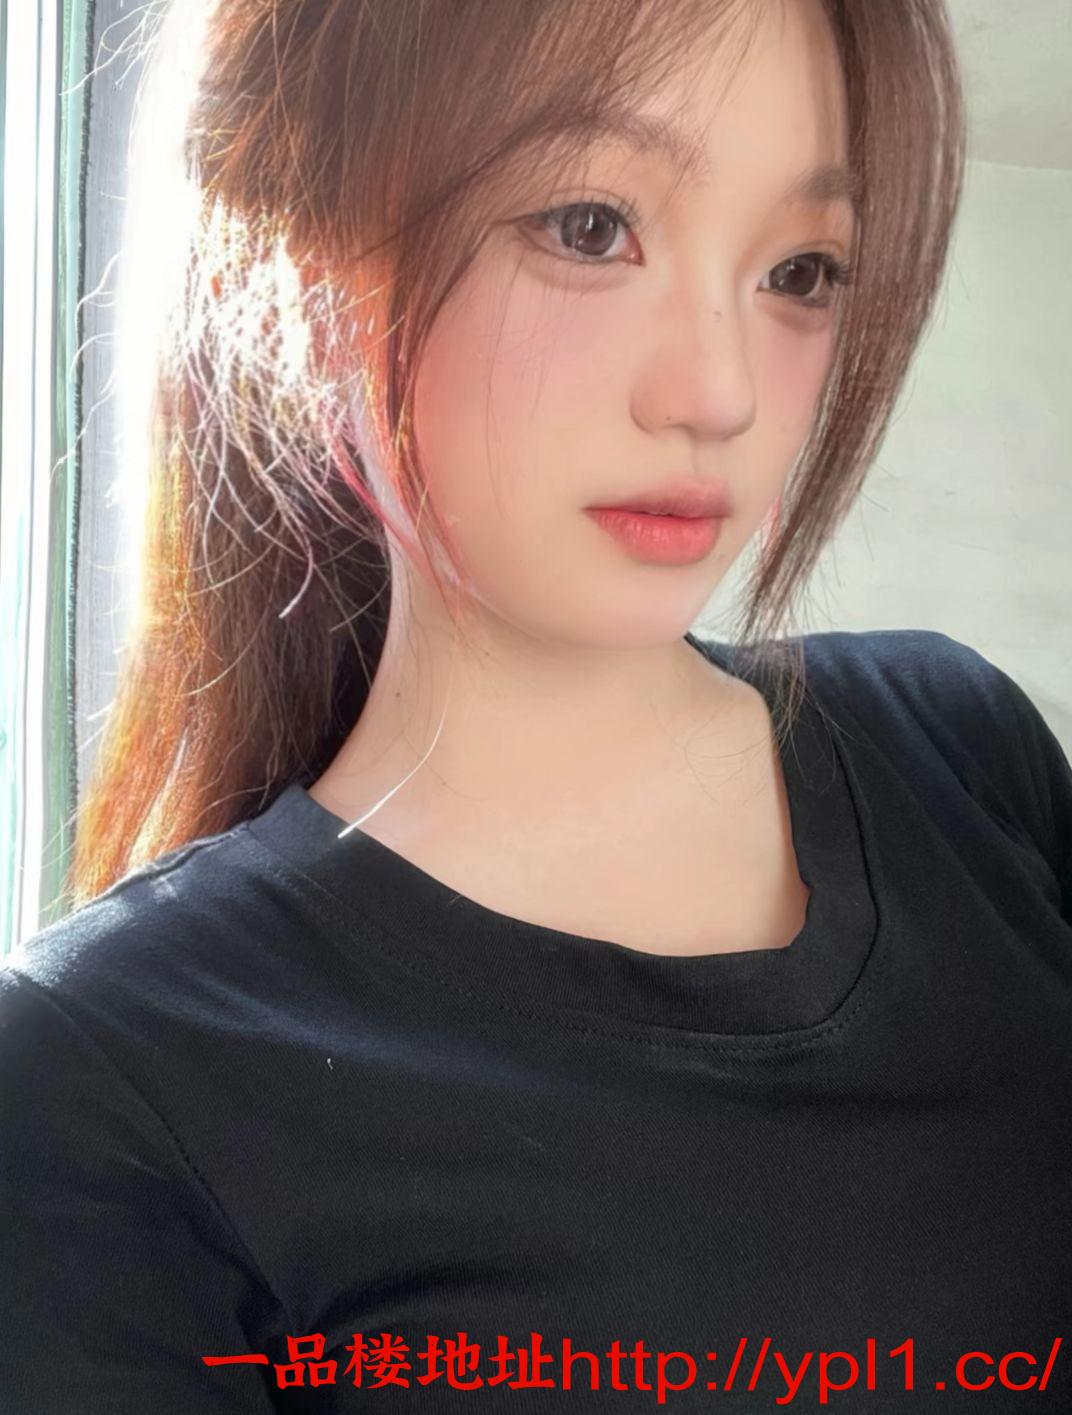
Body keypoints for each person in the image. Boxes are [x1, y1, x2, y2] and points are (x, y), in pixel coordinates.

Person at [3, 0, 1070, 1409]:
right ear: (310, 257)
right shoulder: (107, 1078)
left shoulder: (959, 750)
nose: (718, 393)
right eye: (588, 228)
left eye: (801, 270)